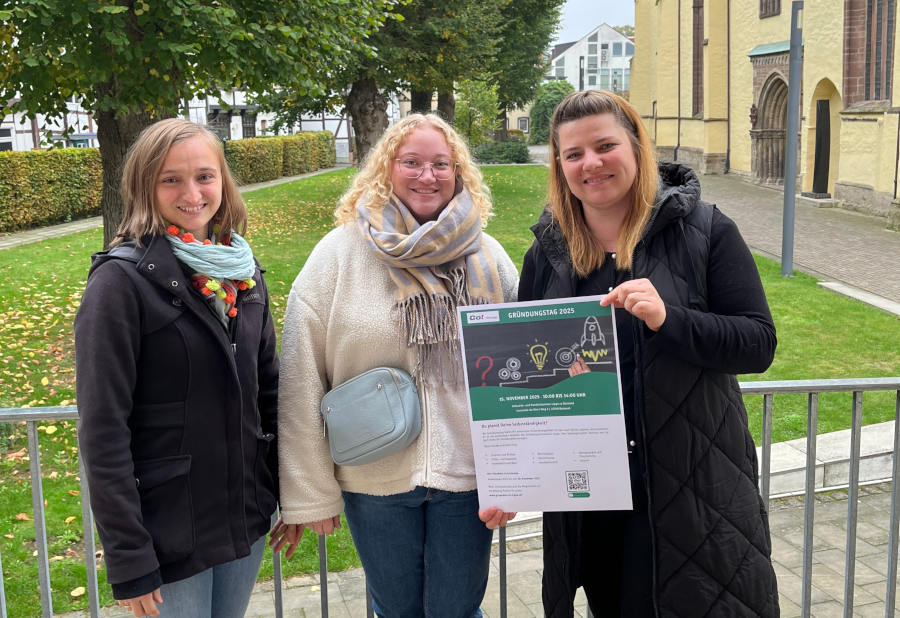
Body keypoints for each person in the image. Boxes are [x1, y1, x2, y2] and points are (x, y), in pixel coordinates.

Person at [518, 90, 779, 617]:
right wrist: (513, 474)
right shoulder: (549, 254)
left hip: (692, 491)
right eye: (573, 154)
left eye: (605, 145)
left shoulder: (706, 230)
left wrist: (670, 320)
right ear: (560, 166)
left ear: (636, 146)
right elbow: (526, 379)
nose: (590, 163)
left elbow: (758, 342)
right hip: (594, 504)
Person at [272, 113, 519, 617]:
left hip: (468, 481)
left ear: (458, 172)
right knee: (394, 611)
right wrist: (311, 493)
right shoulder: (337, 256)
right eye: (411, 162)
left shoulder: (490, 259)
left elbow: (518, 378)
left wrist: (515, 478)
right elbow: (299, 378)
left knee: (458, 611)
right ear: (387, 169)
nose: (427, 176)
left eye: (440, 164)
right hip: (373, 480)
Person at [74, 119, 279, 617]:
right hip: (168, 536)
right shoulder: (119, 284)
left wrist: (285, 497)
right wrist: (129, 560)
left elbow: (269, 394)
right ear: (146, 186)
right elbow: (103, 431)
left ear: (223, 183)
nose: (192, 193)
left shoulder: (242, 271)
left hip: (242, 522)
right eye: (171, 179)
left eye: (205, 176)